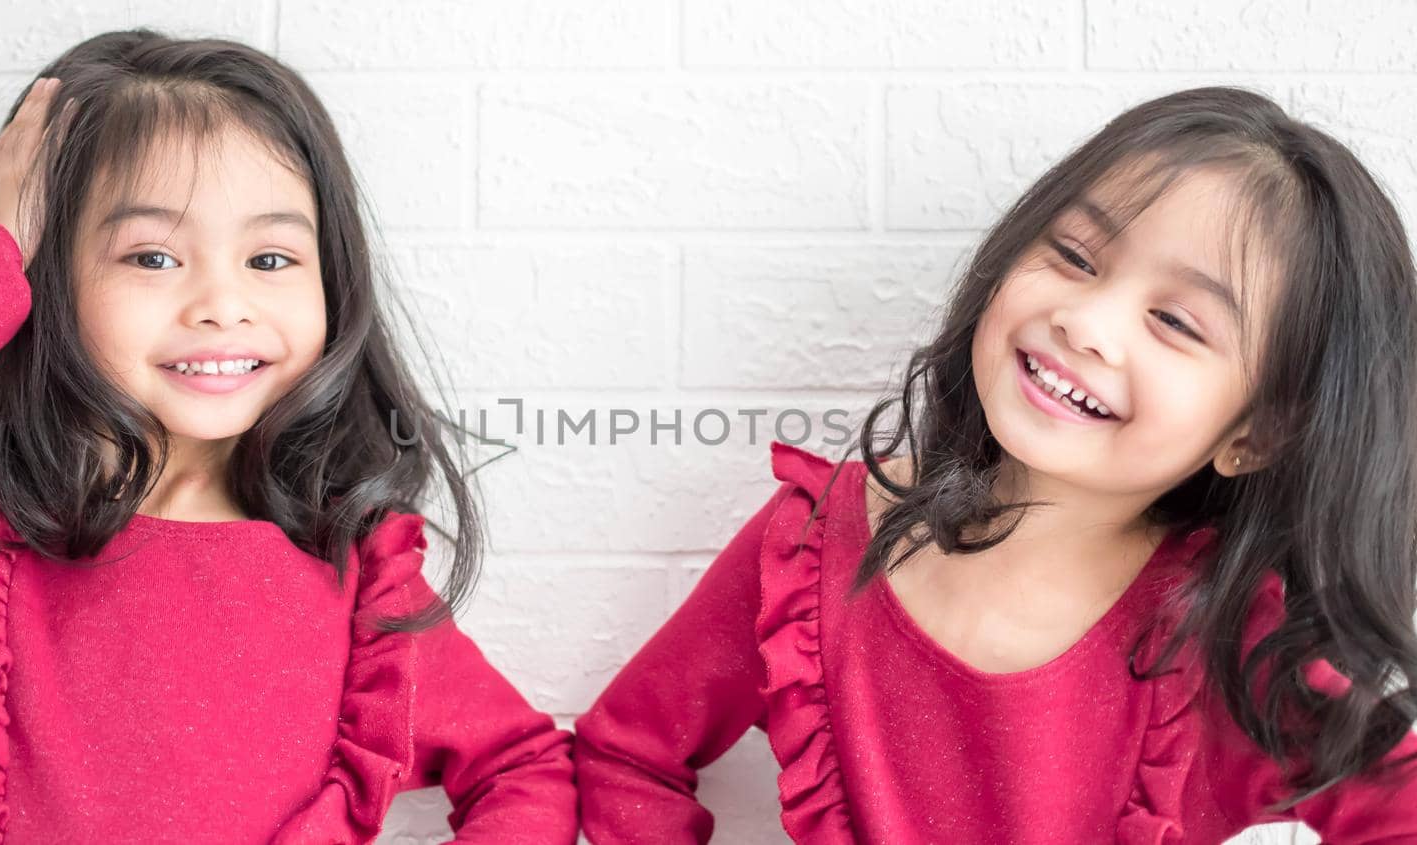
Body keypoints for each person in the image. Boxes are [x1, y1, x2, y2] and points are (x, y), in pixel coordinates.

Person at [574, 86, 1417, 843]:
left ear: (1258, 434)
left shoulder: (1239, 647)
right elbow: (628, 751)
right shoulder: (811, 545)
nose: (1086, 323)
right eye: (1077, 258)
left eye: (1176, 322)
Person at [0, 29, 574, 844]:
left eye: (272, 259)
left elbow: (523, 768)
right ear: (48, 274)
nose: (222, 302)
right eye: (152, 256)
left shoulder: (358, 582)